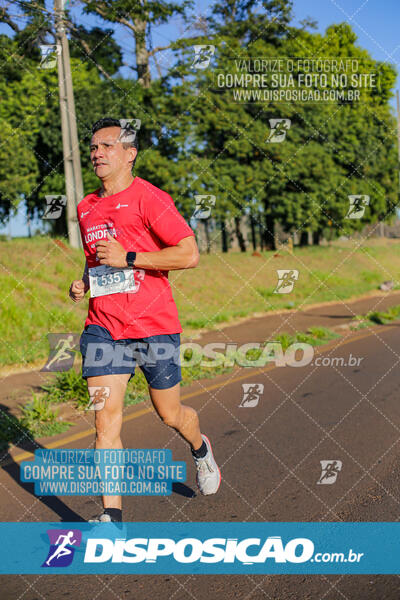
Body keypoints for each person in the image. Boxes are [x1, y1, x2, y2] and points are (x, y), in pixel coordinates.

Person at [69, 117, 221, 523]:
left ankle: (200, 449)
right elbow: (97, 261)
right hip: (104, 327)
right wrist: (84, 282)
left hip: (153, 326)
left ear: (129, 154)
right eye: (93, 147)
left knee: (170, 415)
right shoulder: (87, 207)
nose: (96, 153)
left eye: (106, 146)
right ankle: (112, 518)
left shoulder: (151, 199)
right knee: (105, 422)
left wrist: (131, 258)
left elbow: (188, 255)